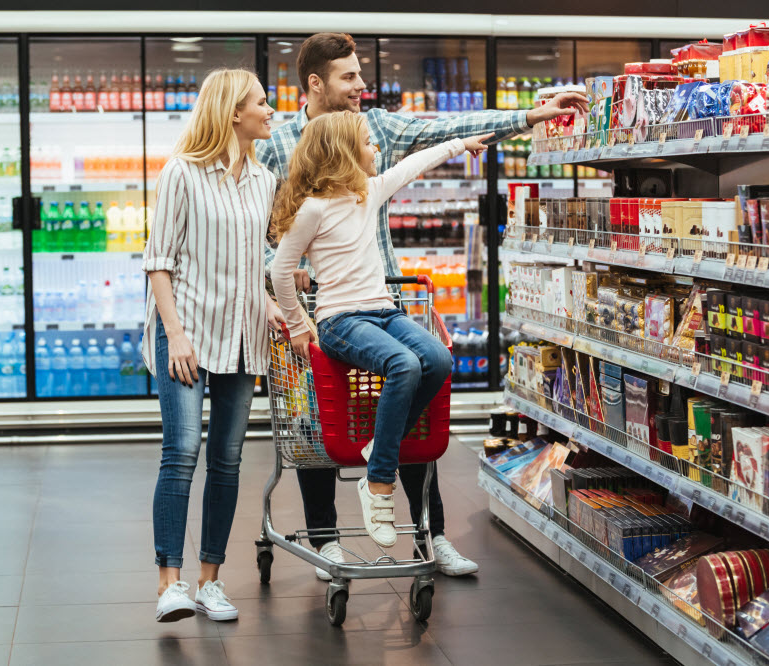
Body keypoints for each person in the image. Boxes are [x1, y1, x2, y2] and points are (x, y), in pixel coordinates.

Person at [257, 32, 587, 578]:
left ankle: (430, 535)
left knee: (413, 403)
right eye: (349, 78)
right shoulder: (279, 142)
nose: (362, 87)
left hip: (384, 294)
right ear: (315, 83)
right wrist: (284, 281)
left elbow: (443, 131)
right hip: (323, 309)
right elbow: (264, 224)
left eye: (361, 76)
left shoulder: (378, 128)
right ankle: (327, 540)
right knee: (316, 426)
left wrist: (529, 116)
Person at [271, 111, 490, 546]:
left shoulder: (367, 193)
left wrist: (461, 145)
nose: (376, 150)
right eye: (368, 143)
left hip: (384, 311)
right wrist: (298, 324)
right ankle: (379, 482)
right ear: (344, 153)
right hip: (339, 319)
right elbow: (281, 272)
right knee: (405, 365)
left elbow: (415, 165)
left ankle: (378, 446)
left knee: (439, 358)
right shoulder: (312, 209)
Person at [142, 68, 285, 624]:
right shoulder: (181, 172)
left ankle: (211, 581)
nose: (270, 111)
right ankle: (169, 583)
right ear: (232, 112)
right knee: (181, 452)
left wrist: (269, 301)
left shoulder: (265, 180)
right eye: (261, 103)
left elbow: (255, 260)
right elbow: (158, 260)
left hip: (244, 334)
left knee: (227, 460)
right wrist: (174, 333)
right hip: (188, 332)